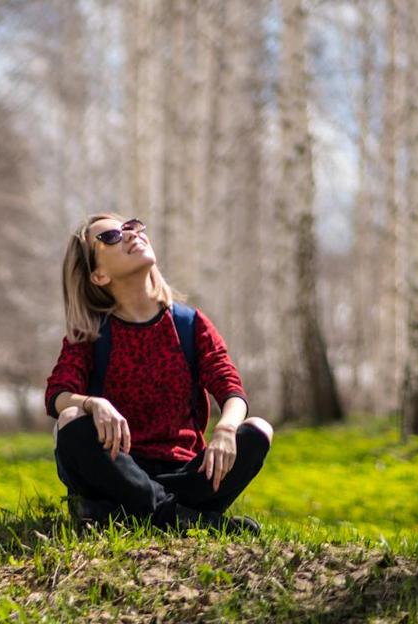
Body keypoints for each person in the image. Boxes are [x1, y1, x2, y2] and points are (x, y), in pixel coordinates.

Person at [45, 213, 273, 534]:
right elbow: (57, 395)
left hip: (187, 475)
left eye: (131, 227)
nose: (129, 235)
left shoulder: (189, 324)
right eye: (110, 237)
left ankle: (129, 514)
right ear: (98, 276)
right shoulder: (91, 332)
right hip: (120, 470)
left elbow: (231, 388)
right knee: (70, 419)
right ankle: (186, 519)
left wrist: (225, 428)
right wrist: (93, 404)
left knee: (258, 430)